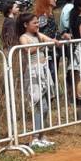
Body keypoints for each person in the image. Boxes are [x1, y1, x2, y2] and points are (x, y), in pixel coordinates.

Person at [16, 13, 57, 149]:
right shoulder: (24, 37)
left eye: (38, 22)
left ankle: (41, 136)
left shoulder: (38, 35)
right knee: (38, 104)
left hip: (44, 73)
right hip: (33, 73)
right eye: (34, 23)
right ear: (25, 25)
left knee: (45, 106)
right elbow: (28, 50)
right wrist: (41, 44)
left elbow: (51, 40)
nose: (37, 25)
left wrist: (57, 40)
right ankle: (35, 137)